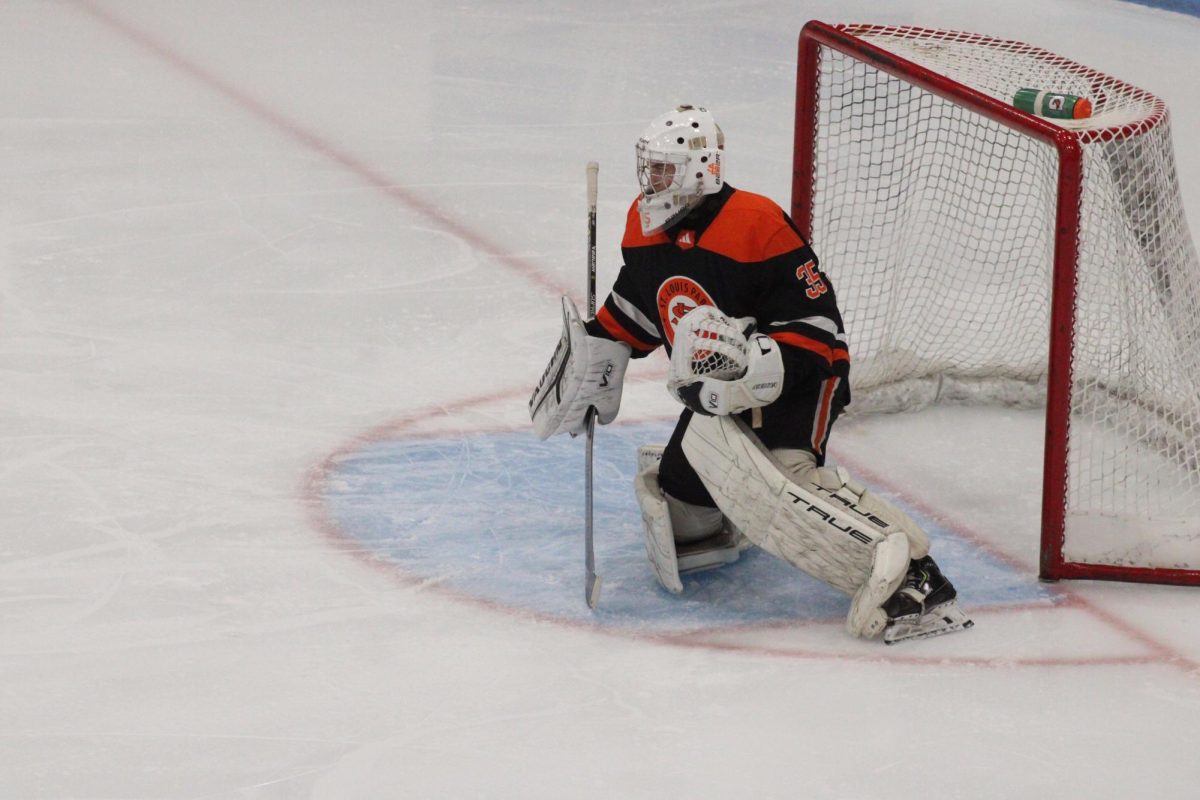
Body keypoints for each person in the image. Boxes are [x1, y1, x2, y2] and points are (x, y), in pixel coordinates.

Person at [529, 105, 971, 643]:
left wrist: (752, 368)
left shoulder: (756, 223)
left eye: (664, 169)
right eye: (650, 168)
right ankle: (736, 504)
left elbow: (818, 326)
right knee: (682, 511)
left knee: (786, 485)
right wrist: (597, 348)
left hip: (797, 384)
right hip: (715, 401)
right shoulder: (643, 229)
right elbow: (639, 308)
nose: (652, 182)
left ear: (699, 170)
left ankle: (915, 577)